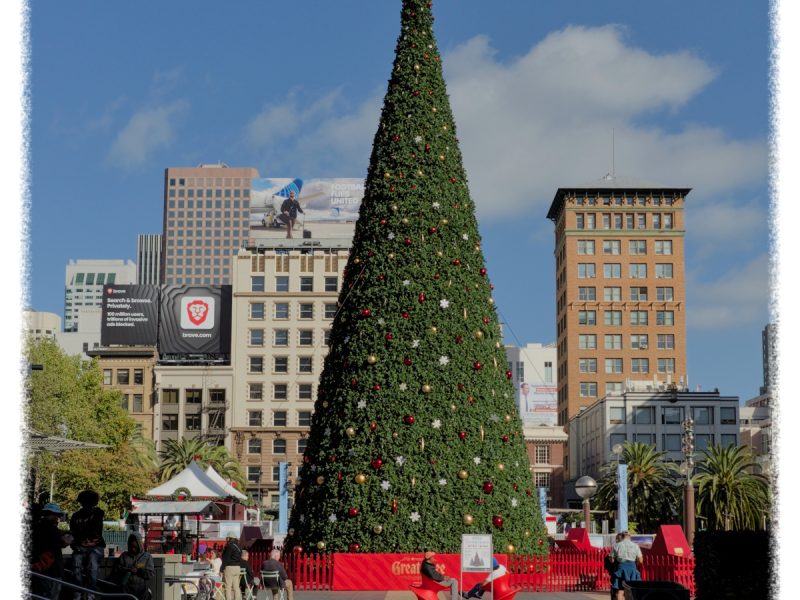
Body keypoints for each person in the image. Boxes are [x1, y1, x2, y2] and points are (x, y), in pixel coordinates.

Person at [30, 502, 73, 600]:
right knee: (52, 594)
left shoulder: (36, 527)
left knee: (39, 594)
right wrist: (69, 538)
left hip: (40, 567)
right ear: (51, 514)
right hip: (52, 569)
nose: (58, 518)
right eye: (57, 515)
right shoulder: (51, 528)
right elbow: (64, 542)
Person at [70, 489, 106, 600]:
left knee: (92, 563)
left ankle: (89, 593)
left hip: (94, 546)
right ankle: (80, 593)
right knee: (78, 563)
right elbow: (74, 533)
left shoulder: (97, 514)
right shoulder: (76, 516)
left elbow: (94, 531)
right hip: (83, 546)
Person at [113, 532, 155, 600]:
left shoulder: (147, 556)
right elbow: (117, 570)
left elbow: (151, 573)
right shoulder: (124, 556)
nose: (133, 549)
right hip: (126, 591)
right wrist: (127, 570)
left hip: (142, 592)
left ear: (139, 545)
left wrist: (139, 571)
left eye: (135, 547)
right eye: (131, 546)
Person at [611, 531, 642, 600]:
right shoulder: (635, 545)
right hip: (632, 569)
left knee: (620, 591)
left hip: (621, 569)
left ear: (622, 536)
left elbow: (612, 560)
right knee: (633, 590)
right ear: (630, 537)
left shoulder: (617, 545)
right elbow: (640, 560)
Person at [604, 533, 624, 599]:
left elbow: (611, 560)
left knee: (616, 588)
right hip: (627, 570)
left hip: (616, 570)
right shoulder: (629, 546)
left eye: (617, 539)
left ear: (618, 539)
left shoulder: (616, 546)